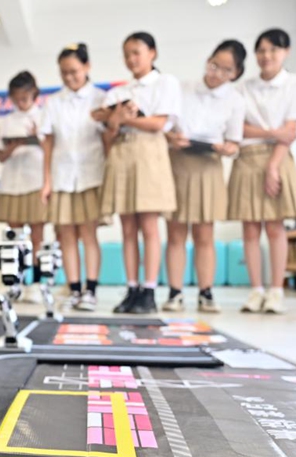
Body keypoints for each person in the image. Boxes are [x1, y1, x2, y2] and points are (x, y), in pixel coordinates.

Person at [94, 32, 181, 314]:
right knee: (127, 228)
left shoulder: (165, 82)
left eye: (137, 52)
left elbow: (160, 123)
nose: (131, 59)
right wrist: (116, 121)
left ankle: (150, 290)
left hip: (150, 155)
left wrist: (129, 118)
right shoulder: (118, 92)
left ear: (152, 52)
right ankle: (132, 289)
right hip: (122, 154)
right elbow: (108, 129)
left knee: (149, 227)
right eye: (127, 53)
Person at [163, 40, 247, 313]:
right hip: (179, 162)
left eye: (225, 70)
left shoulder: (235, 100)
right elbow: (165, 128)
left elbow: (234, 143)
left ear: (235, 73)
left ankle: (206, 292)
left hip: (209, 165)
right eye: (213, 65)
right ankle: (175, 292)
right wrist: (172, 138)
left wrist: (226, 148)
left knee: (204, 234)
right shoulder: (183, 88)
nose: (215, 73)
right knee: (175, 232)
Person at [231, 28, 296, 314]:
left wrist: (273, 167)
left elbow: (290, 131)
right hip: (247, 158)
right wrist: (270, 131)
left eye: (273, 50)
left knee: (275, 227)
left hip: (278, 158)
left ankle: (275, 291)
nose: (267, 56)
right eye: (261, 51)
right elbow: (237, 127)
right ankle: (256, 291)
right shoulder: (243, 87)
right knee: (249, 228)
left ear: (285, 51)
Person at [41, 43, 106, 311]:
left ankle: (90, 289)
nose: (69, 77)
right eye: (64, 73)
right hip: (63, 175)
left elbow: (108, 138)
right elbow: (47, 142)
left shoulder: (102, 99)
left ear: (87, 67)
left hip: (92, 174)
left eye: (74, 71)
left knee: (88, 234)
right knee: (66, 234)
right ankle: (74, 288)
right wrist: (47, 180)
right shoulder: (53, 102)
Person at [0, 71, 46, 304]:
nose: (22, 101)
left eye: (26, 95)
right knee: (14, 237)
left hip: (36, 182)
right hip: (12, 183)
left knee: (37, 237)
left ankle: (36, 283)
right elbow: (1, 157)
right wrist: (14, 146)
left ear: (34, 93)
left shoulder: (44, 117)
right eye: (17, 97)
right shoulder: (5, 122)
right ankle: (16, 282)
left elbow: (52, 151)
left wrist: (38, 138)